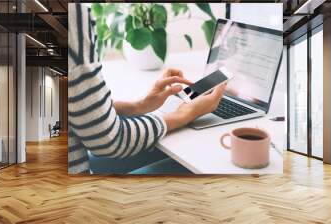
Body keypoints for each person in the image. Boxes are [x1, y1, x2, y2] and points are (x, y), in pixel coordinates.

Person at [68, 4, 226, 174]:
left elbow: (77, 110)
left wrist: (139, 106)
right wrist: (184, 114)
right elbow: (110, 141)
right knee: (203, 163)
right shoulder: (75, 13)